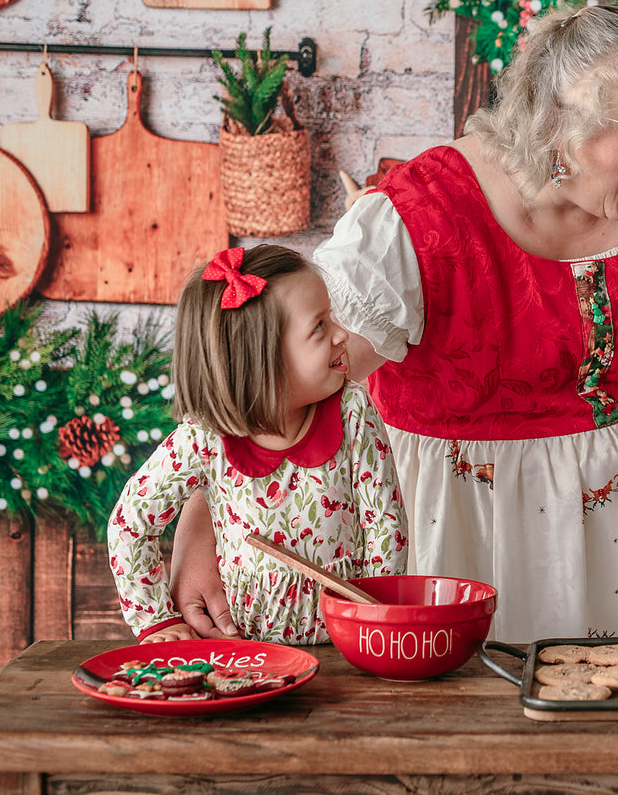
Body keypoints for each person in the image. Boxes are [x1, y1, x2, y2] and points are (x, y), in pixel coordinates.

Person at [168, 5, 618, 642]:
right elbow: (289, 383)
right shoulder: (417, 222)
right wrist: (203, 514)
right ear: (560, 127)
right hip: (463, 529)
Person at [107, 245, 408, 644]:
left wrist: (373, 620)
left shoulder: (353, 410)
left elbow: (385, 525)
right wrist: (156, 621)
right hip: (243, 653)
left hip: (346, 647)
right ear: (262, 359)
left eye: (331, 316)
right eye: (319, 326)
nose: (342, 334)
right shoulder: (204, 437)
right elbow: (131, 522)